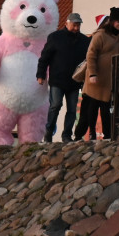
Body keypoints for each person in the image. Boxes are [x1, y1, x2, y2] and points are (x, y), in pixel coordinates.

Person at [75, 8, 119, 141]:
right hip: (96, 80)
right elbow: (91, 55)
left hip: (112, 80)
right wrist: (92, 74)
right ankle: (79, 135)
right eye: (118, 21)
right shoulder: (100, 35)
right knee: (89, 111)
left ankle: (108, 135)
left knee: (108, 111)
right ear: (111, 21)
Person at [37, 13, 90, 143]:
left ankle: (66, 135)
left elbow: (88, 60)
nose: (76, 28)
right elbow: (44, 58)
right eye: (74, 25)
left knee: (72, 110)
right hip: (57, 79)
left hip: (74, 81)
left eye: (78, 25)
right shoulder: (55, 37)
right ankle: (48, 132)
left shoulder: (84, 41)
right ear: (67, 23)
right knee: (55, 105)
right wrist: (41, 74)